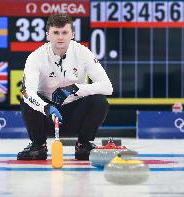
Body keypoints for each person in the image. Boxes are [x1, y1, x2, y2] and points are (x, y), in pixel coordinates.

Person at [17, 13, 113, 161]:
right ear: (48, 34)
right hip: (48, 117)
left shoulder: (83, 53)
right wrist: (45, 107)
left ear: (72, 34)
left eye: (64, 32)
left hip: (75, 114)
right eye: (56, 33)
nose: (60, 37)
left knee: (99, 101)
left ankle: (83, 144)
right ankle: (38, 145)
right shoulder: (35, 57)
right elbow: (28, 92)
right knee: (26, 100)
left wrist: (74, 89)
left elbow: (108, 87)